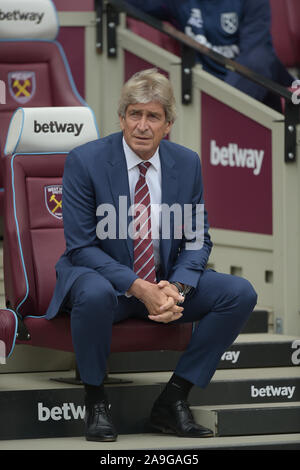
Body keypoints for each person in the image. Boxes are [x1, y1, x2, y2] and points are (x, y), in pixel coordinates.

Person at [46, 68, 257, 442]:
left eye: (153, 116)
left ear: (168, 124)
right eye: (135, 114)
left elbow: (197, 238)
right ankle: (95, 401)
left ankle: (173, 399)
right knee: (92, 291)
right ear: (122, 117)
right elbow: (80, 246)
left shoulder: (186, 162)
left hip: (161, 284)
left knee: (238, 292)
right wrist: (140, 288)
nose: (142, 125)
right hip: (105, 283)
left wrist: (175, 286)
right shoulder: (86, 160)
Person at [125, 0, 294, 111]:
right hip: (205, 90)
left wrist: (220, 104)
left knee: (260, 60)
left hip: (254, 97)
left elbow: (255, 58)